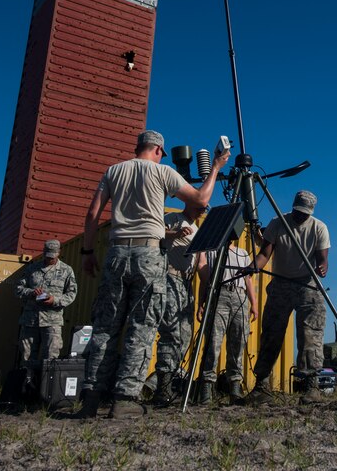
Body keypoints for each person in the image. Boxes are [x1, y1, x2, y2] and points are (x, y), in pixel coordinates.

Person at [78, 130, 229, 418]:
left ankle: (91, 398)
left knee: (105, 328)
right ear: (158, 150)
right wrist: (217, 166)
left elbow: (92, 214)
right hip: (149, 254)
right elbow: (199, 198)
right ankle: (124, 400)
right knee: (141, 327)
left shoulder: (113, 171)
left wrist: (87, 253)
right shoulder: (162, 172)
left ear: (138, 147)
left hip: (116, 252)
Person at [242, 190, 330, 406]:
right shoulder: (277, 223)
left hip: (307, 284)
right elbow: (264, 255)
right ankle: (262, 387)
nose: (301, 216)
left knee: (310, 333)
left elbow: (323, 259)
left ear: (311, 213)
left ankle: (312, 386)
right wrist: (253, 267)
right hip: (281, 283)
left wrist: (322, 267)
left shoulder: (319, 228)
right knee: (271, 332)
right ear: (293, 207)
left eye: (305, 214)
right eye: (298, 212)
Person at [151, 201, 208, 406]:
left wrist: (205, 292)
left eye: (205, 209)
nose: (202, 211)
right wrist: (175, 234)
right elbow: (156, 235)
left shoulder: (198, 230)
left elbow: (201, 263)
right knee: (171, 332)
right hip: (170, 277)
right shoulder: (172, 219)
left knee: (185, 334)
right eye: (200, 207)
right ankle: (162, 388)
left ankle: (170, 379)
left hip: (187, 282)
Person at [195, 242, 258, 405]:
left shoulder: (243, 253)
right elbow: (205, 280)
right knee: (213, 342)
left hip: (239, 296)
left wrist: (254, 304)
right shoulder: (211, 251)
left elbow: (248, 280)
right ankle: (206, 388)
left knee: (238, 343)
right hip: (218, 294)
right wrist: (201, 303)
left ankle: (235, 389)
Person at [14, 239, 78, 385]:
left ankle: (46, 390)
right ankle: (26, 390)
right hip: (30, 320)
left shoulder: (67, 271)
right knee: (27, 356)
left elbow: (72, 294)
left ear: (58, 253)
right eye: (48, 256)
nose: (50, 259)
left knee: (51, 356)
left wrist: (54, 300)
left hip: (52, 320)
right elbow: (18, 289)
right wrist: (31, 292)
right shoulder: (32, 269)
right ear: (43, 253)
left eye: (53, 256)